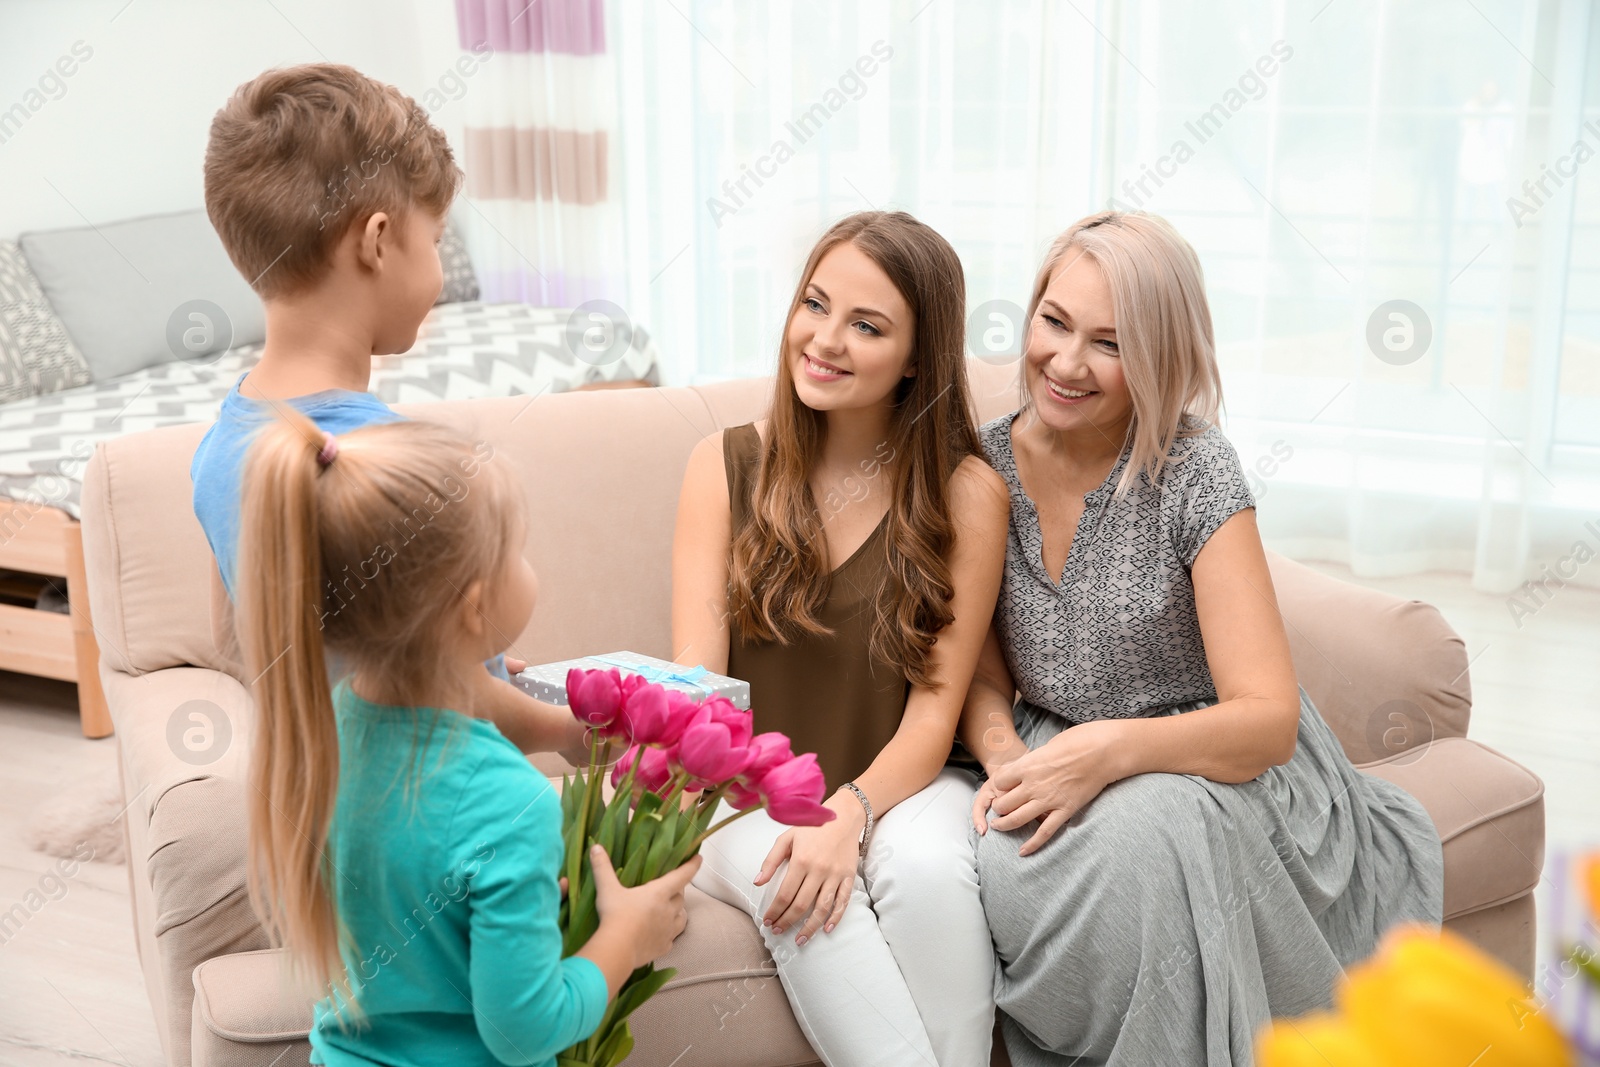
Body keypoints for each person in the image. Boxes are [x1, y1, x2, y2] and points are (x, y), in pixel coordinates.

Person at [957, 210, 1445, 1066]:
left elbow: (1265, 720)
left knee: (1156, 834)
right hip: (1052, 744)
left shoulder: (1195, 468)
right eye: (1054, 322)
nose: (1066, 363)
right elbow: (981, 675)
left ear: (1157, 357)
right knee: (1010, 858)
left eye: (1109, 343)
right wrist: (1004, 758)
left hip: (1216, 757)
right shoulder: (982, 465)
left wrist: (1111, 752)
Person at [234, 410, 701, 1066]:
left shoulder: (320, 736)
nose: (526, 564)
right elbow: (525, 1031)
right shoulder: (510, 801)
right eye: (516, 550)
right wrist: (626, 938)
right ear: (476, 606)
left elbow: (410, 893)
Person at [672, 211, 1011, 1066]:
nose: (824, 340)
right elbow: (699, 699)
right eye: (814, 305)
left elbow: (936, 716)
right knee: (799, 886)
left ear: (918, 359)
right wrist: (798, 813)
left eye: (867, 325)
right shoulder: (722, 464)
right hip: (739, 795)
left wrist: (849, 811)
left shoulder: (968, 494)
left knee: (932, 879)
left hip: (899, 783)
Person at [190, 62, 578, 755]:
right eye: (433, 241)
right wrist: (570, 732)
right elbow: (438, 691)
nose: (437, 268)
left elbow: (240, 641)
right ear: (375, 241)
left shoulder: (226, 438)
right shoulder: (387, 462)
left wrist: (475, 663)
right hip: (434, 805)